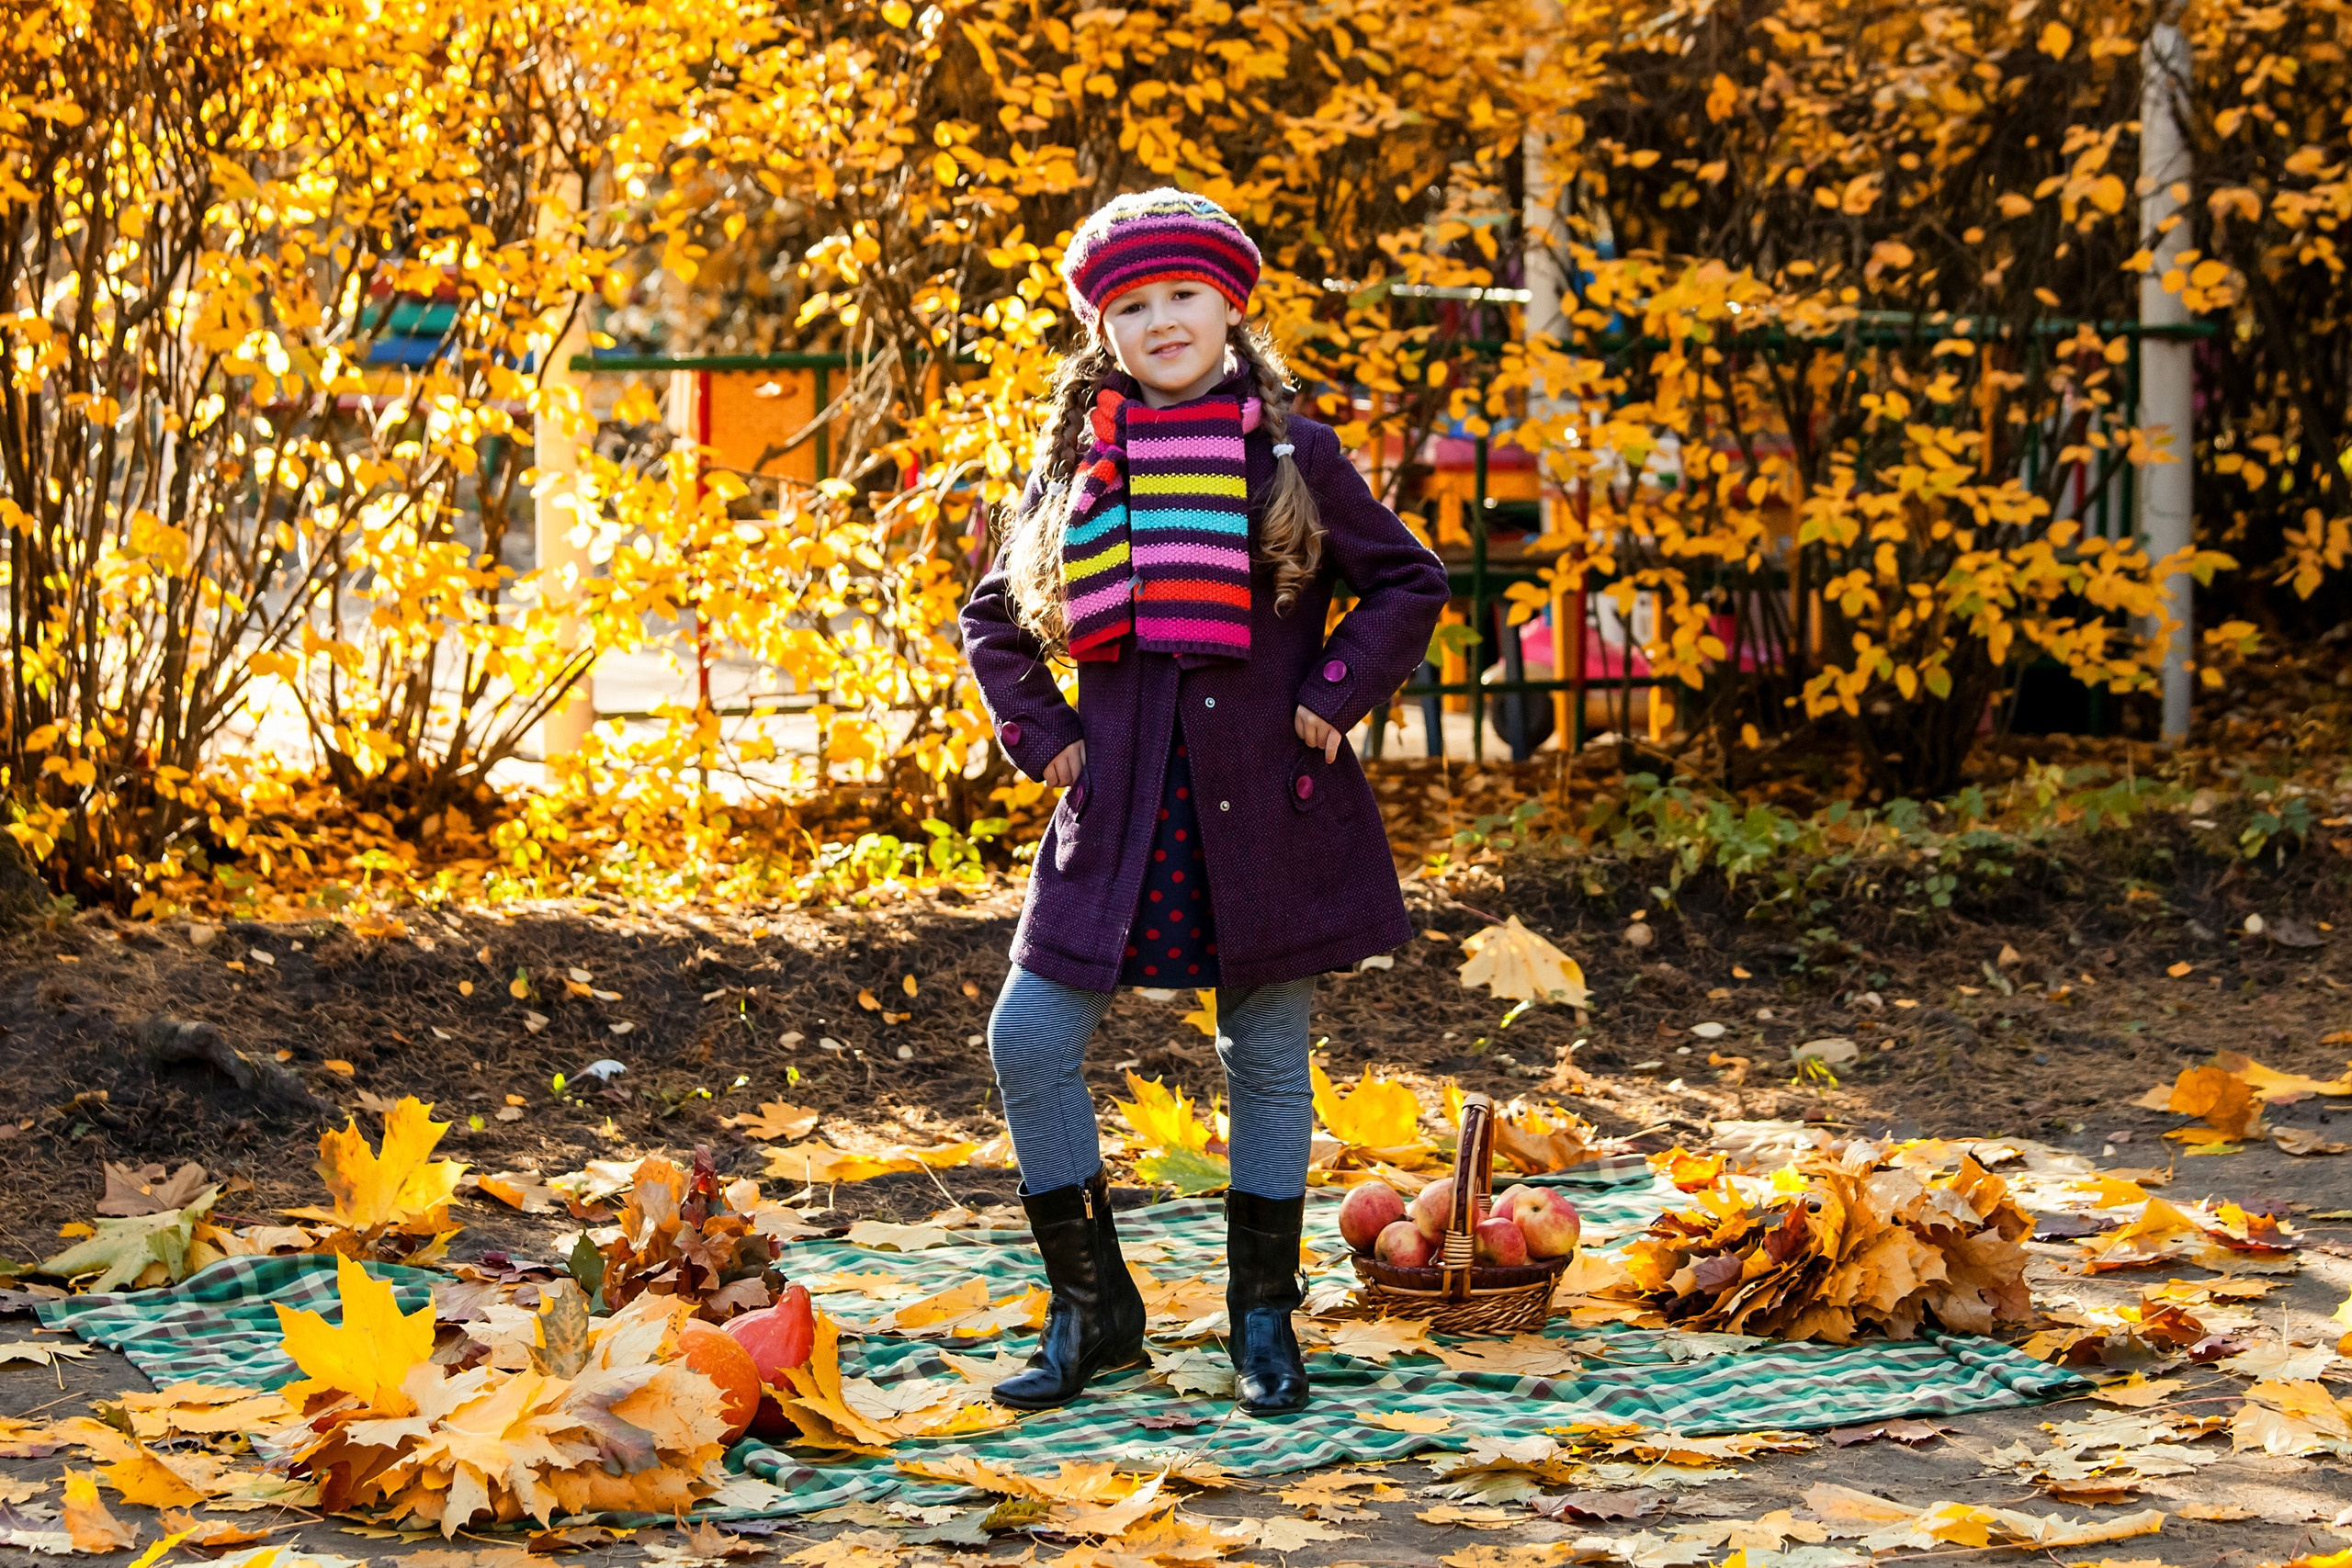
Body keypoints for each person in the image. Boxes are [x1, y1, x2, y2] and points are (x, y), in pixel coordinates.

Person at [959, 188, 1448, 1416]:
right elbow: (996, 618)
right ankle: (1096, 1313)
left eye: (1182, 294)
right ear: (1101, 328)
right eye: (1130, 304)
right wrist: (1048, 735)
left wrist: (1333, 693)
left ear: (1231, 303)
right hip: (1118, 814)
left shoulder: (1291, 450)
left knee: (1266, 1056)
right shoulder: (1078, 460)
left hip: (1268, 812)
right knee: (1028, 1042)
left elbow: (1406, 581)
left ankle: (1261, 1321)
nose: (1160, 319)